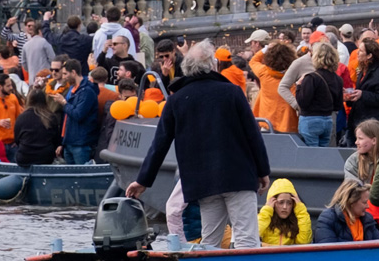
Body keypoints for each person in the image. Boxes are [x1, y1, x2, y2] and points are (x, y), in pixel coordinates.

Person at [127, 41, 271, 250]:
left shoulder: (176, 100)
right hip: (238, 175)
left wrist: (143, 181)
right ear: (213, 65)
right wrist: (263, 171)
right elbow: (253, 135)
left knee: (210, 240)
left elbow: (159, 144)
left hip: (203, 181)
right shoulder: (232, 92)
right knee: (246, 238)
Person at [50, 59, 99, 165]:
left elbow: (78, 114)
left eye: (65, 74)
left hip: (81, 143)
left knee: (82, 174)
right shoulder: (72, 89)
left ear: (73, 72)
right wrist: (62, 142)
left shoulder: (87, 91)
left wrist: (64, 103)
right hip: (69, 142)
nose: (63, 77)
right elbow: (66, 118)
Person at [295, 42, 343, 147]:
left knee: (310, 153)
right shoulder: (338, 79)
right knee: (323, 153)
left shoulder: (311, 78)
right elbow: (338, 105)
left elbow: (302, 102)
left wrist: (298, 86)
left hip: (310, 120)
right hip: (328, 120)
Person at [249, 42, 298, 133]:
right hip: (289, 124)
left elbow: (253, 61)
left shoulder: (263, 72)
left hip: (267, 123)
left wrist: (266, 49)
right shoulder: (295, 76)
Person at [345, 37, 379, 130]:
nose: (357, 53)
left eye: (361, 51)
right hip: (359, 119)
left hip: (373, 123)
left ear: (369, 55)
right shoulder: (363, 71)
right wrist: (350, 96)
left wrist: (362, 95)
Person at [313, 180, 379, 243]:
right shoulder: (328, 219)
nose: (368, 206)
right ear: (351, 202)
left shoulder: (368, 220)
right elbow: (327, 249)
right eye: (364, 202)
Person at [14, 87, 62, 167]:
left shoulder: (21, 117)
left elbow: (17, 139)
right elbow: (56, 139)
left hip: (24, 157)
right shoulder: (51, 117)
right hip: (46, 157)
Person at [257, 178, 312, 246]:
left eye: (289, 203)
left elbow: (304, 242)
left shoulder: (297, 221)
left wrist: (301, 210)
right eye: (281, 202)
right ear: (272, 202)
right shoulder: (265, 219)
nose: (285, 207)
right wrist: (267, 211)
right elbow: (253, 236)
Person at [344, 119, 379, 185]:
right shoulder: (353, 160)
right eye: (356, 138)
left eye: (360, 138)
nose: (356, 142)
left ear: (374, 140)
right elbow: (352, 186)